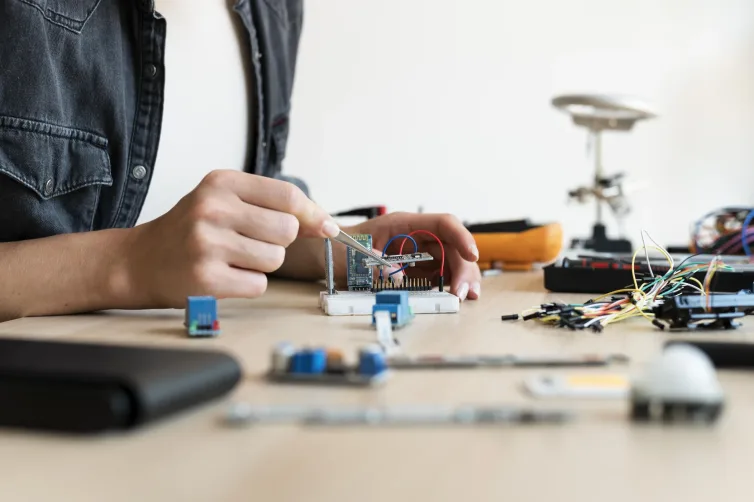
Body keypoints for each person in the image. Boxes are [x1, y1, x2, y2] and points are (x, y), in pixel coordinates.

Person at [0, 0, 481, 321]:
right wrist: (128, 264)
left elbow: (220, 236)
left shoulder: (275, 10)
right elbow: (162, 253)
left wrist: (348, 250)